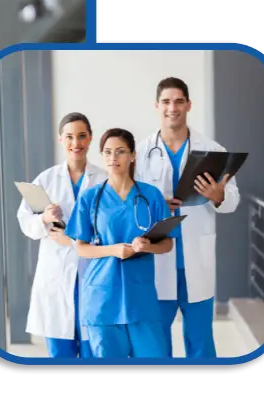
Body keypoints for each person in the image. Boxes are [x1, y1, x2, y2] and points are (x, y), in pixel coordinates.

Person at [134, 77, 240, 358]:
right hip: (157, 260)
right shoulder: (141, 153)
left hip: (195, 260)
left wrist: (218, 195)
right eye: (166, 102)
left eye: (179, 101)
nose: (173, 108)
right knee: (156, 345)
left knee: (201, 341)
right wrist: (156, 205)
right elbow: (129, 203)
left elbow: (233, 200)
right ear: (157, 106)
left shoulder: (213, 150)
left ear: (189, 105)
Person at [65, 128, 173, 358]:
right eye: (107, 152)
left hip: (140, 298)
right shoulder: (89, 197)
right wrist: (114, 250)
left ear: (133, 155)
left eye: (120, 152)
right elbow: (80, 247)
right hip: (103, 298)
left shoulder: (151, 196)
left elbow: (167, 244)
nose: (113, 158)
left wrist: (148, 247)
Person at [17, 113, 107, 358]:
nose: (75, 143)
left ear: (90, 139)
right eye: (69, 137)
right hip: (57, 276)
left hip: (93, 273)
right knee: (60, 355)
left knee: (95, 352)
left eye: (81, 136)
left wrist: (75, 239)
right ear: (60, 140)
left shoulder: (104, 180)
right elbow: (25, 221)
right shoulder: (46, 179)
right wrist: (44, 218)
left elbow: (113, 228)